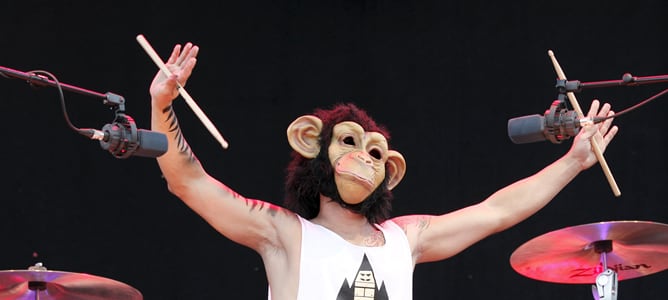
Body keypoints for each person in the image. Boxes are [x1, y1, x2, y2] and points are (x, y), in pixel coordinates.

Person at [148, 42, 618, 300]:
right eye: (349, 143)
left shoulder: (404, 238)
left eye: (376, 153)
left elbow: (497, 211)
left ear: (390, 171)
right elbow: (187, 181)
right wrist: (161, 104)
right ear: (314, 146)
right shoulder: (284, 234)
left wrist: (574, 160)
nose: (364, 159)